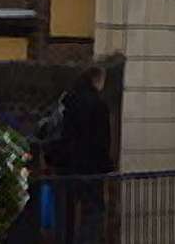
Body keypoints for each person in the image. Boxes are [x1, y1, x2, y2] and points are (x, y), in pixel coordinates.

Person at [53, 66, 115, 244]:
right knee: (93, 212)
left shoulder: (67, 100)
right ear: (97, 80)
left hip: (66, 167)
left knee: (66, 213)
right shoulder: (98, 105)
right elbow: (102, 141)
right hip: (91, 169)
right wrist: (106, 166)